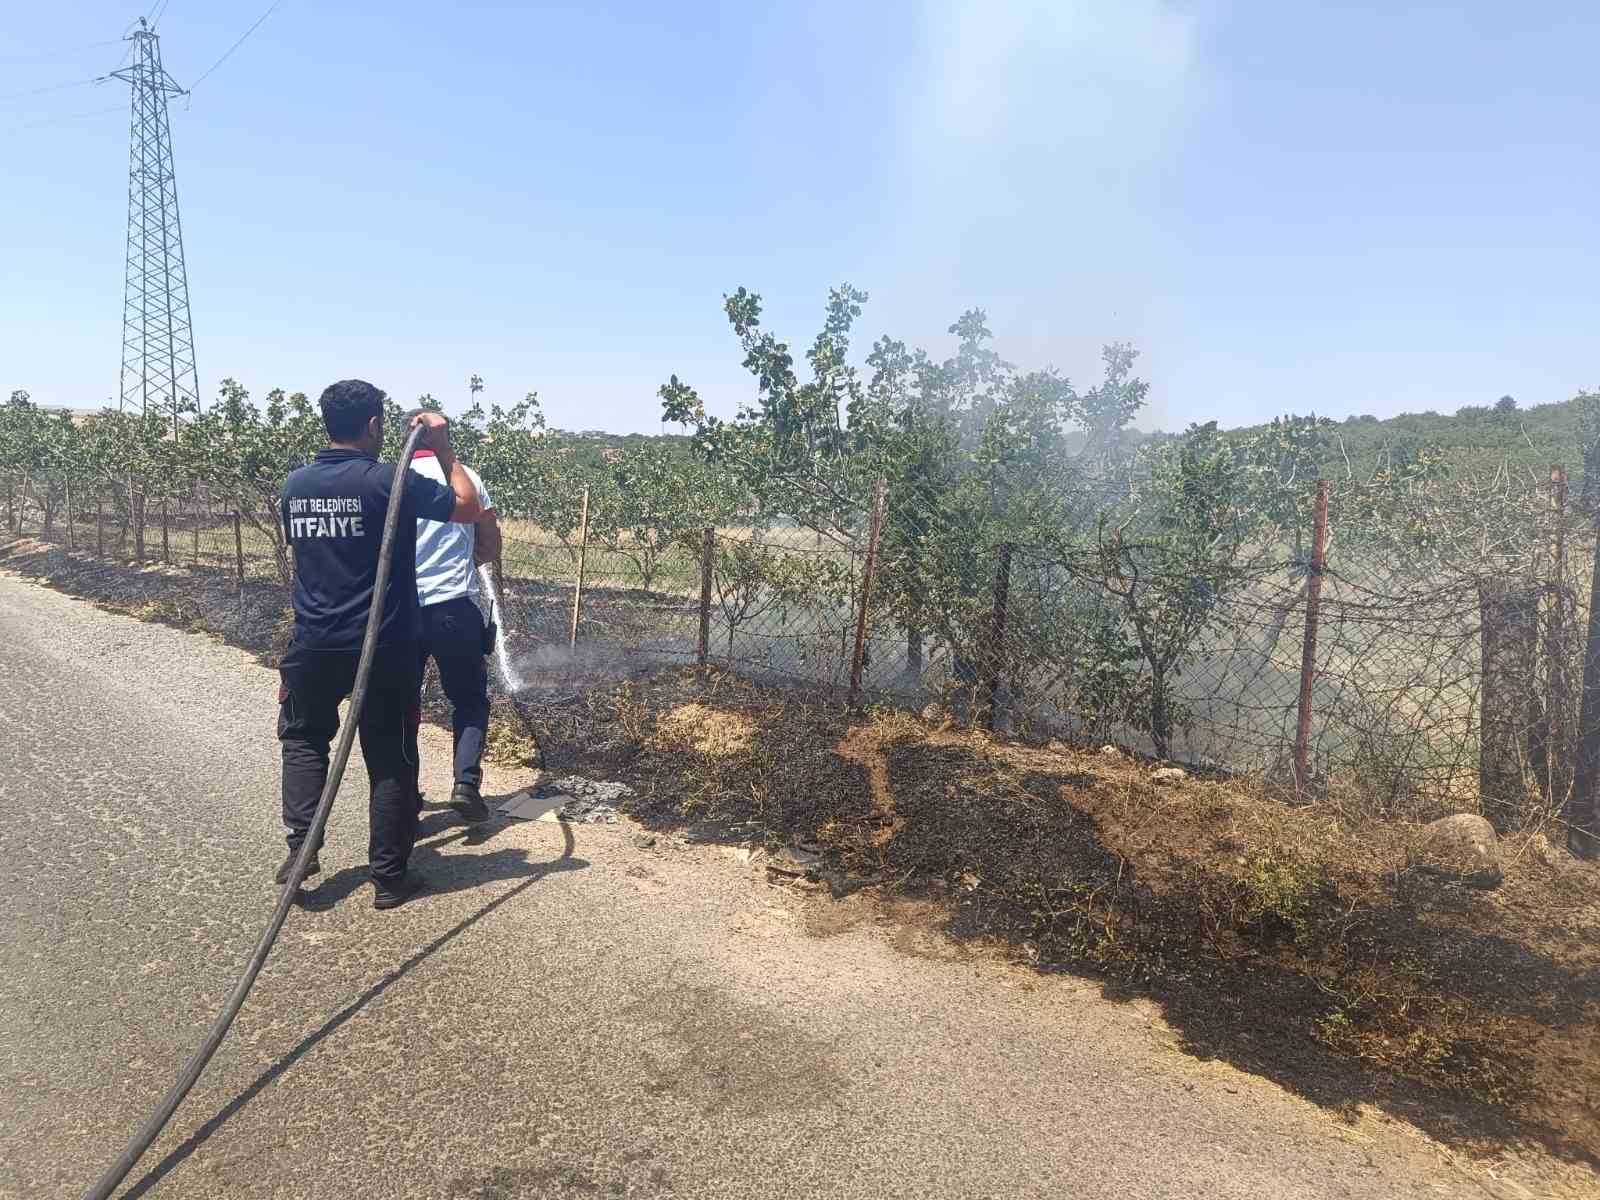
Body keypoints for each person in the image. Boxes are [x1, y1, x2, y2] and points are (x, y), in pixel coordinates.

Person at [276, 380, 482, 909]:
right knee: (390, 758)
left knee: (303, 740)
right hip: (383, 647)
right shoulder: (389, 481)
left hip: (313, 641)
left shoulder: (295, 486)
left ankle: (302, 851)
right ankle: (389, 878)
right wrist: (442, 446)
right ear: (373, 426)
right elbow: (466, 505)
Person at [403, 406, 502, 824]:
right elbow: (489, 545)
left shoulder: (391, 480)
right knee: (469, 698)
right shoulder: (468, 479)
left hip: (401, 611)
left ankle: (404, 798)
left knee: (402, 706)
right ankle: (465, 784)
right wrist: (462, 558)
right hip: (453, 610)